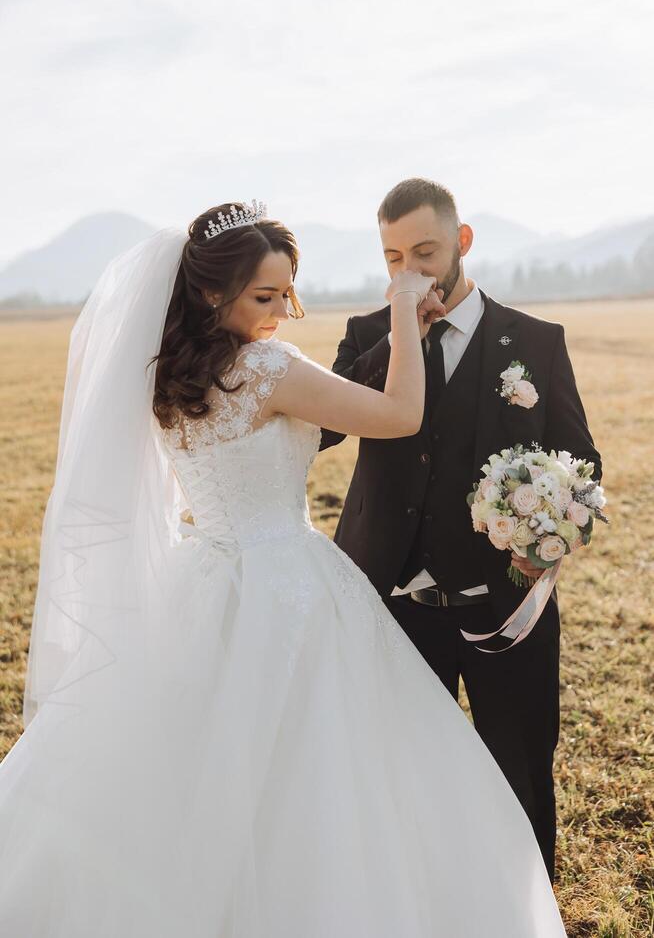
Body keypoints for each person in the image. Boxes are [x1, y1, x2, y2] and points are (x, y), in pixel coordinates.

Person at [0, 201, 567, 936]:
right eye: (265, 297)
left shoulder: (166, 373)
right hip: (290, 583)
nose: (281, 313)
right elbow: (397, 415)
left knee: (196, 763)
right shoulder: (264, 370)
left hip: (203, 576)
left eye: (288, 294)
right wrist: (402, 311)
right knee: (327, 768)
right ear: (210, 293)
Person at [320, 177, 603, 881]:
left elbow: (580, 461)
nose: (410, 271)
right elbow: (323, 427)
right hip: (394, 605)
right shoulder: (365, 335)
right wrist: (397, 337)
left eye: (425, 251)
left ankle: (528, 908)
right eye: (393, 258)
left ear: (462, 243)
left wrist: (545, 524)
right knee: (401, 773)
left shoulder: (536, 341)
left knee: (521, 770)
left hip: (508, 606)